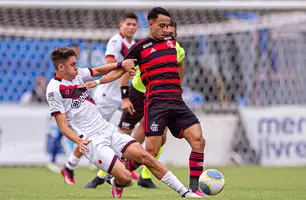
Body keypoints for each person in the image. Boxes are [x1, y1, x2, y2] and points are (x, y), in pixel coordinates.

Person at [46, 46, 200, 198]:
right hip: (92, 140)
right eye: (72, 64)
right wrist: (78, 141)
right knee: (126, 179)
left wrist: (121, 65)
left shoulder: (78, 74)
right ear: (61, 67)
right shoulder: (54, 90)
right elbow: (62, 125)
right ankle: (117, 182)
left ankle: (185, 193)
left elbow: (99, 70)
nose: (76, 67)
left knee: (146, 157)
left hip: (106, 129)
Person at [84, 19, 186, 189]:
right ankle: (102, 175)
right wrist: (125, 98)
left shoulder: (176, 48)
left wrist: (178, 88)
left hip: (160, 98)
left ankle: (145, 177)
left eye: (171, 34)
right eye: (165, 31)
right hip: (138, 94)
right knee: (122, 135)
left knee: (160, 137)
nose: (167, 35)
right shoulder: (145, 48)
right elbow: (125, 72)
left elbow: (180, 64)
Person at [119, 7, 206, 195]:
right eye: (162, 26)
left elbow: (180, 62)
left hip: (177, 102)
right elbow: (123, 71)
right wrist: (119, 87)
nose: (166, 30)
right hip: (155, 104)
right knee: (150, 152)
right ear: (150, 24)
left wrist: (180, 85)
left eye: (168, 26)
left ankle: (194, 189)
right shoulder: (139, 48)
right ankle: (121, 172)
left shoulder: (172, 42)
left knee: (198, 140)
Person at [60, 12, 139, 185]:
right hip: (106, 95)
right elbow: (109, 64)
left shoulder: (132, 44)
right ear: (121, 26)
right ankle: (69, 166)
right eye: (128, 24)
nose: (131, 27)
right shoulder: (116, 41)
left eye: (134, 24)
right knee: (93, 135)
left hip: (122, 93)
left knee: (133, 126)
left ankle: (121, 165)